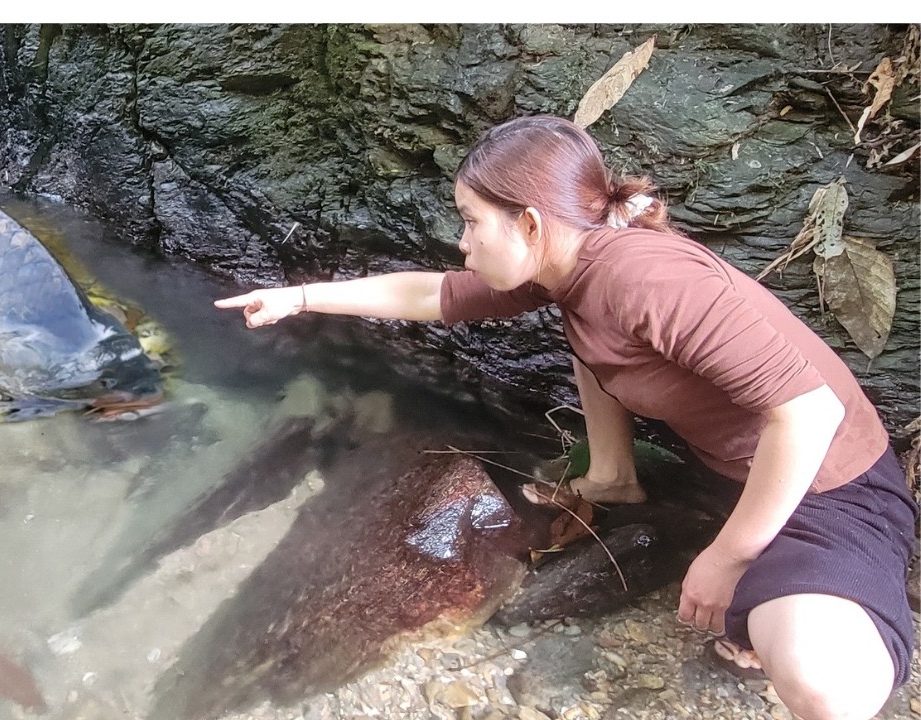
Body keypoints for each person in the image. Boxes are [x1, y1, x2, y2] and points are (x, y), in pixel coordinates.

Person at [214, 115, 917, 720]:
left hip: (833, 492)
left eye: (470, 222)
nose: (462, 242)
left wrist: (726, 557)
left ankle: (805, 605)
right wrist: (300, 298)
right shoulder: (567, 270)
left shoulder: (642, 277)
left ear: (529, 223)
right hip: (735, 475)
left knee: (822, 686)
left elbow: (808, 410)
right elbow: (429, 294)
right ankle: (622, 485)